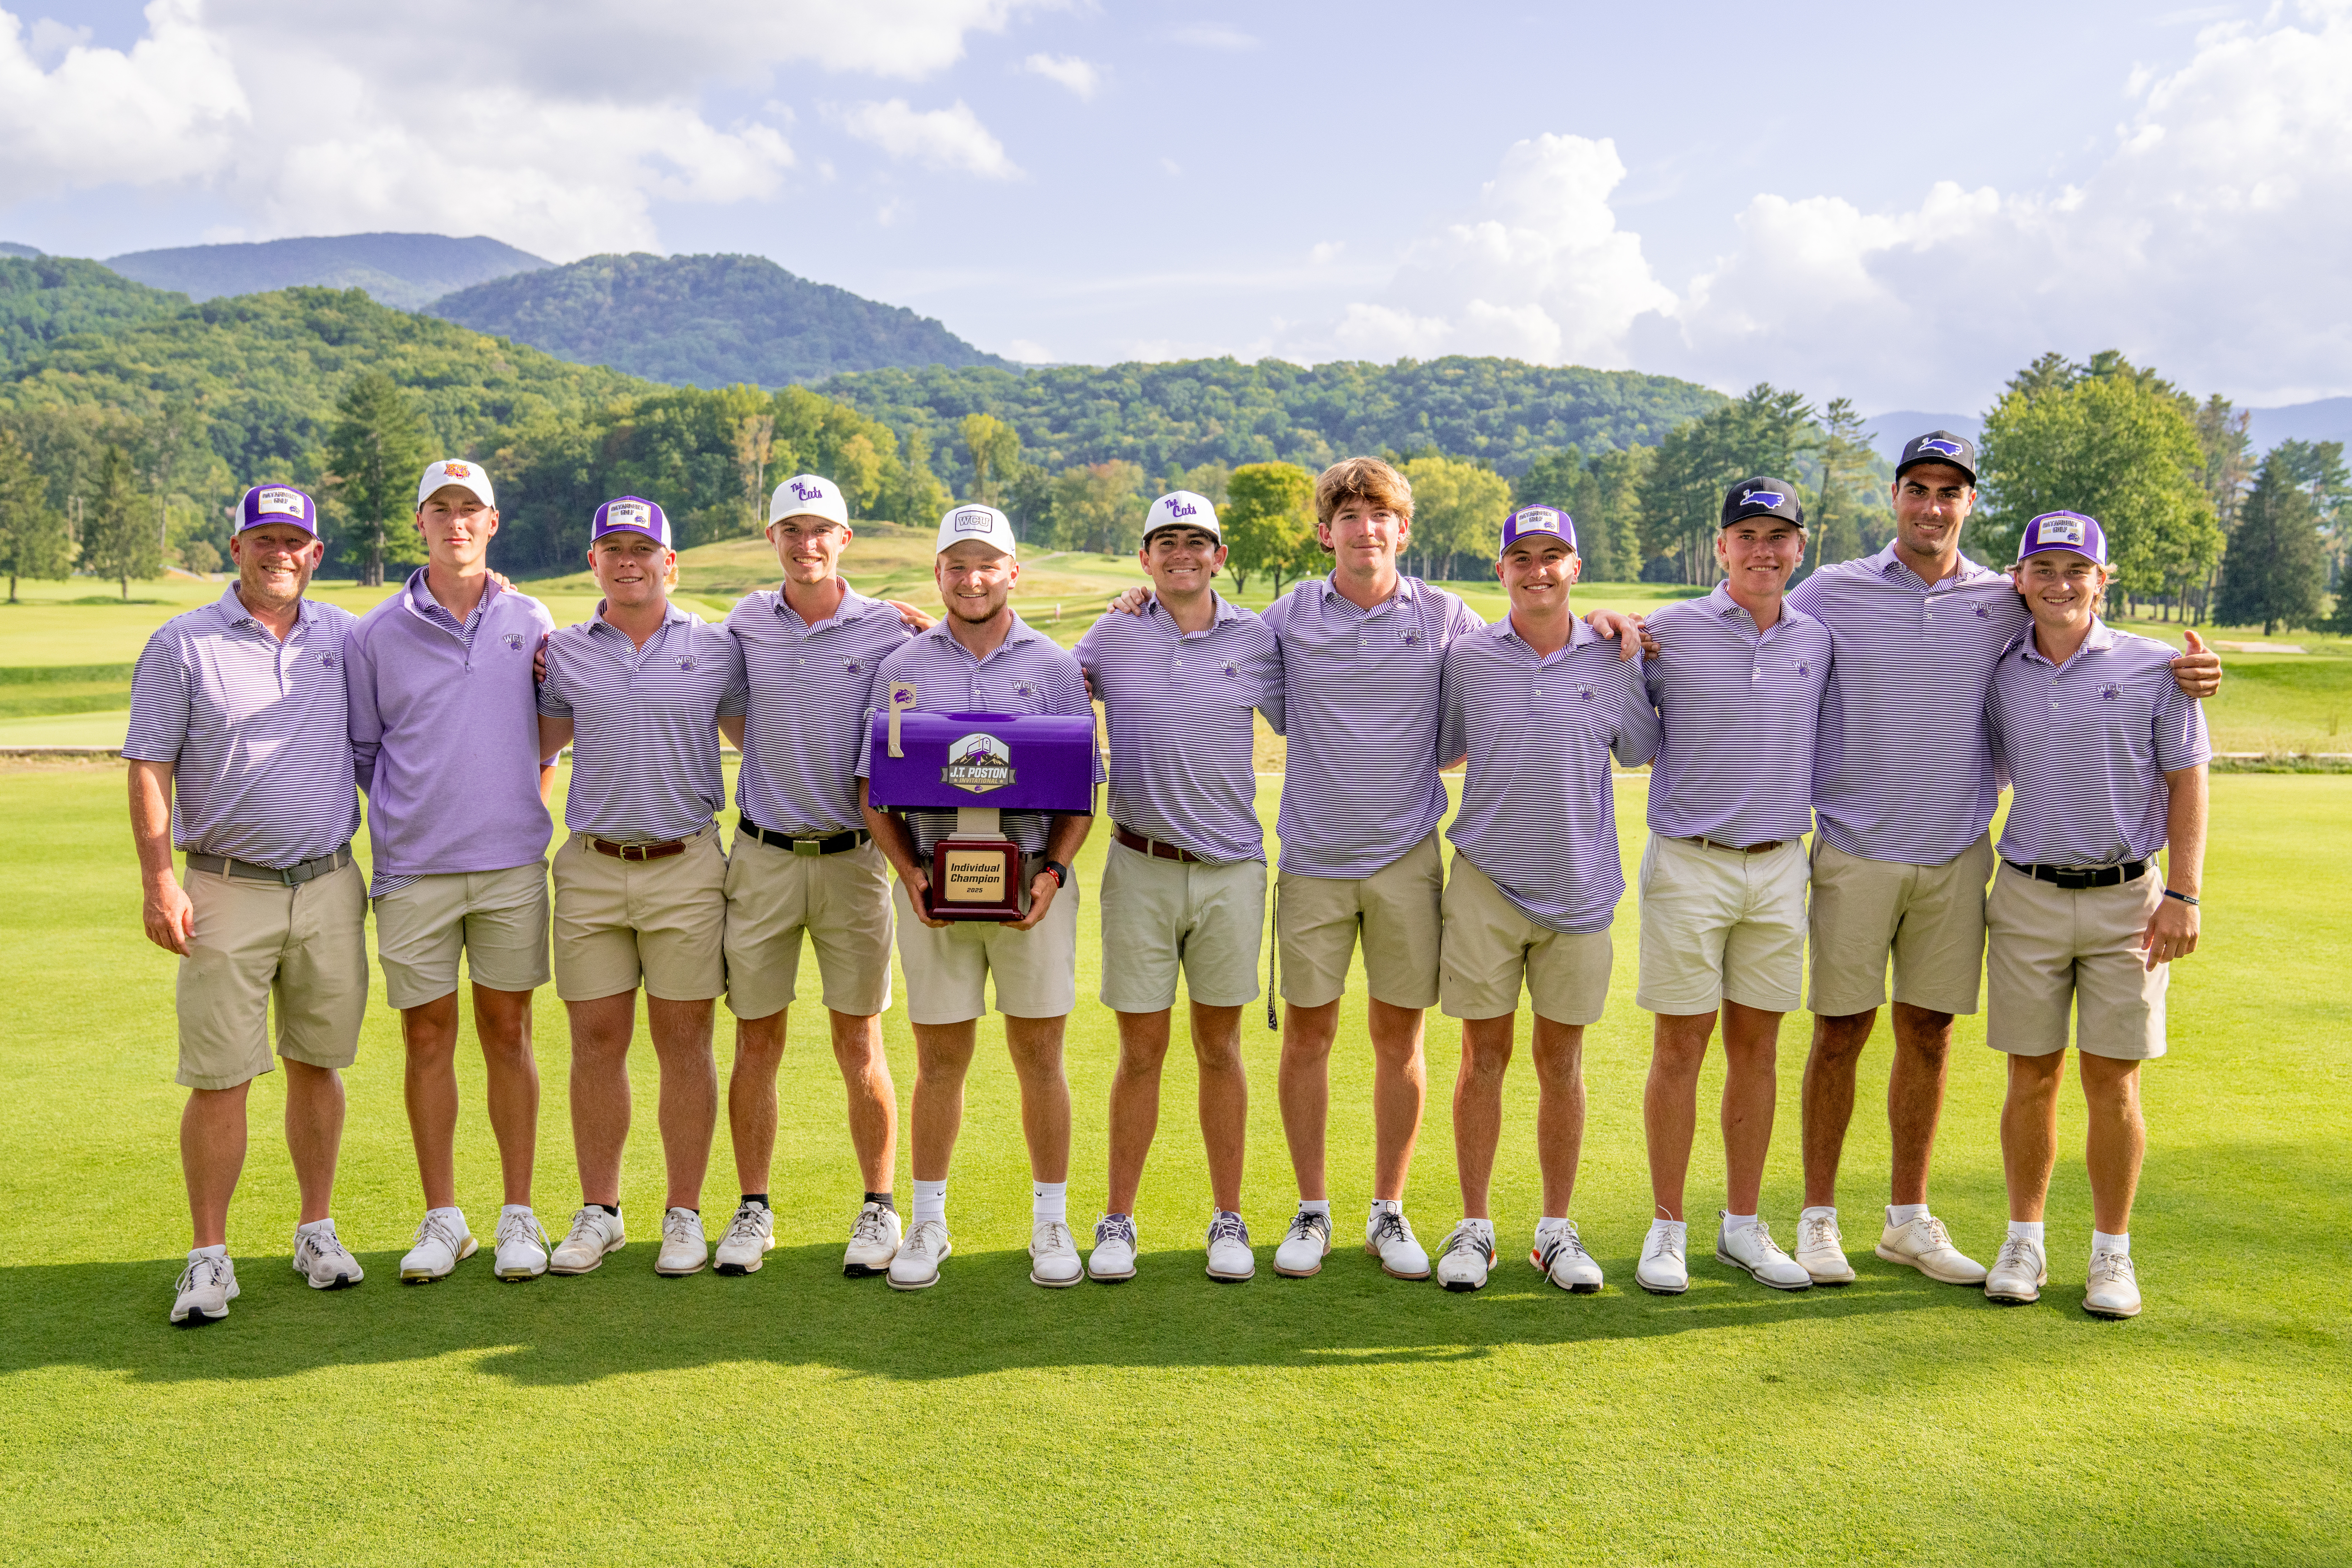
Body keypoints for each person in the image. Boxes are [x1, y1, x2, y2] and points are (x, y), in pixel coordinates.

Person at [1783, 432, 2222, 1286]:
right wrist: (1625, 628)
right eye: (1918, 488)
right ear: (1895, 496)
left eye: (1950, 491)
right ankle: (1816, 1220)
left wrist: (2196, 671)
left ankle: (1907, 1222)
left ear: (1968, 505)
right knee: (1839, 1033)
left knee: (1930, 1037)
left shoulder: (1999, 600)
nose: (1932, 505)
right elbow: (1748, 619)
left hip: (1956, 857)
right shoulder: (1833, 589)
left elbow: (2109, 648)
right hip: (1853, 849)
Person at [127, 484, 369, 1325]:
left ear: (316, 553)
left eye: (294, 541)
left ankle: (315, 1231)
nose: (280, 554)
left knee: (318, 1063)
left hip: (331, 883)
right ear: (236, 549)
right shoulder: (181, 643)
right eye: (263, 539)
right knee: (221, 1076)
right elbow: (150, 763)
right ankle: (208, 1256)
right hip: (225, 885)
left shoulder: (345, 637)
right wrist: (160, 879)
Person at [857, 504, 1099, 1291]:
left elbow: (1079, 796)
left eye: (987, 564)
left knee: (1039, 1057)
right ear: (938, 575)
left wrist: (1052, 874)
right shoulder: (903, 667)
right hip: (933, 889)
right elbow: (872, 791)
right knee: (939, 1061)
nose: (972, 580)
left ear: (1012, 573)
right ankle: (927, 1225)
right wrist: (909, 874)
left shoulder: (1057, 668)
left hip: (1030, 888)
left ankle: (1051, 1223)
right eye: (957, 566)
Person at [1981, 511, 2207, 1319]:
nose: (2058, 583)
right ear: (2018, 580)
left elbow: (2187, 782)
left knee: (2112, 1083)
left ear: (2101, 581)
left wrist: (2183, 893)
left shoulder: (2158, 669)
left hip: (2126, 903)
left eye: (2076, 570)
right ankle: (2023, 1240)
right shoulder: (1999, 664)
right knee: (2029, 1078)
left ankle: (2111, 1256)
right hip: (2025, 895)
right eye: (2042, 568)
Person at [1430, 505, 1658, 1293]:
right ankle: (1474, 1228)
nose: (1537, 570)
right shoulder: (1467, 657)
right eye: (1520, 557)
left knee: (1561, 1065)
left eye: (1552, 555)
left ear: (1575, 567)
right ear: (1500, 571)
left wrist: (1625, 639)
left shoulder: (1612, 656)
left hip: (1580, 885)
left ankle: (1554, 1233)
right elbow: (1445, 745)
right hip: (1486, 882)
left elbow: (1640, 748)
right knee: (1481, 1061)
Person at [344, 459, 559, 1284]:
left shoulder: (529, 615)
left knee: (510, 1035)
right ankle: (444, 1220)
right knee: (426, 1038)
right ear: (421, 524)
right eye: (443, 509)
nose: (457, 522)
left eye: (472, 510)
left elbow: (546, 734)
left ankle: (517, 1215)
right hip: (415, 871)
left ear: (493, 523)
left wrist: (511, 802)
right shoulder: (375, 633)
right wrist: (423, 812)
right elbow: (368, 751)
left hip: (510, 868)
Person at [714, 473, 925, 1278]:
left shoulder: (884, 629)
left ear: (845, 540)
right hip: (763, 858)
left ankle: (877, 1208)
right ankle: (753, 1209)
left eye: (821, 531)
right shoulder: (744, 622)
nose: (806, 545)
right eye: (790, 531)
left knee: (858, 1040)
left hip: (854, 862)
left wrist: (933, 622)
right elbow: (735, 714)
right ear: (772, 540)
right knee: (756, 1039)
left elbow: (944, 671)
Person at [1072, 491, 1283, 1284]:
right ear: (1145, 559)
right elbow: (1040, 684)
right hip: (1139, 866)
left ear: (1219, 557)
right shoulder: (1116, 630)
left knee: (1220, 1049)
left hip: (1229, 869)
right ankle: (1118, 1219)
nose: (1181, 554)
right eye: (1166, 542)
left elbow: (1320, 703)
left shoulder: (1256, 639)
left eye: (1197, 542)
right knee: (1139, 1054)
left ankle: (1226, 1217)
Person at [535, 497, 747, 1277]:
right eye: (614, 549)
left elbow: (759, 732)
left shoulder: (718, 647)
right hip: (590, 868)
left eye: (644, 549)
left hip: (686, 866)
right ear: (593, 561)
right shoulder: (560, 651)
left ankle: (684, 1215)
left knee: (684, 1043)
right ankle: (601, 1211)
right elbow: (538, 745)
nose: (630, 562)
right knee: (595, 1044)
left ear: (671, 563)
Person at [1633, 477, 1831, 1295]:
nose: (1763, 550)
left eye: (1778, 536)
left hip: (1781, 863)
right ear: (1720, 548)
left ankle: (1742, 1229)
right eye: (1746, 535)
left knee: (1758, 1048)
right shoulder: (1666, 632)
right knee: (1680, 1046)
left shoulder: (1816, 640)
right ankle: (1667, 1228)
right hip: (1689, 861)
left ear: (1799, 547)